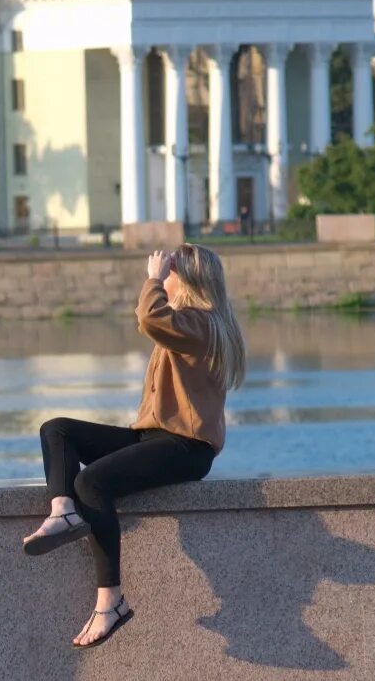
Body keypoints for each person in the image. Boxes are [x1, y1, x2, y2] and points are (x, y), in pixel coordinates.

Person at [25, 244, 247, 649]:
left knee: (92, 482)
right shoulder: (189, 323)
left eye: (171, 271)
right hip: (154, 435)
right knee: (57, 430)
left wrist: (151, 279)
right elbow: (152, 320)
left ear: (189, 277)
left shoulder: (204, 326)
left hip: (187, 446)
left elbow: (148, 316)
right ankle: (62, 511)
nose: (164, 276)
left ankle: (111, 602)